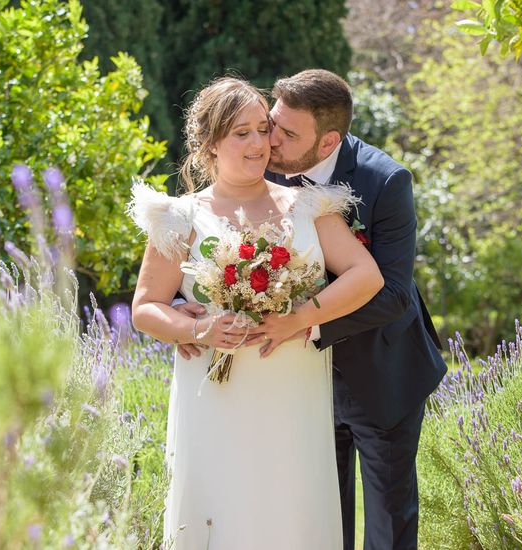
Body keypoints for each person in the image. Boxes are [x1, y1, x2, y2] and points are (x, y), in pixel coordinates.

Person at [181, 69, 448, 549]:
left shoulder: (384, 181)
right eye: (269, 125)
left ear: (327, 143)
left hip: (379, 369)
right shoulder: (265, 166)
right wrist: (189, 313)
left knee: (388, 517)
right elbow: (215, 234)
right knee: (320, 512)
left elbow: (393, 293)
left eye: (284, 132)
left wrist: (302, 323)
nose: (270, 141)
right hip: (295, 380)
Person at [129, 77, 384, 550]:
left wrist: (301, 316)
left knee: (293, 508)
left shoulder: (308, 206)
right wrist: (197, 327)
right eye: (240, 132)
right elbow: (145, 309)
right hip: (216, 395)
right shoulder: (180, 216)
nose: (258, 142)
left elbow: (366, 277)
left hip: (294, 390)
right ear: (209, 145)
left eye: (262, 128)